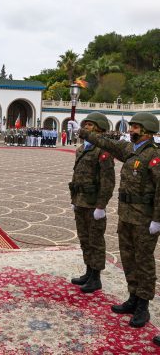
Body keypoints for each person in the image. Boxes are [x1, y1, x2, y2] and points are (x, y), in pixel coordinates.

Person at [79, 112, 160, 328]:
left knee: (144, 262)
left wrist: (157, 219)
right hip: (126, 216)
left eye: (135, 127)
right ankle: (133, 297)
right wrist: (85, 133)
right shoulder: (129, 151)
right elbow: (106, 142)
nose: (130, 130)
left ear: (146, 131)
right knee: (128, 259)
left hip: (144, 220)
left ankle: (143, 305)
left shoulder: (153, 155)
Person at [69, 112, 115, 293]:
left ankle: (96, 278)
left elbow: (108, 181)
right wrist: (74, 199)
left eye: (90, 125)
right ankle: (88, 272)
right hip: (80, 200)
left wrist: (101, 206)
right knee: (84, 239)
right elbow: (76, 175)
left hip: (94, 203)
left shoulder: (103, 151)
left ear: (99, 129)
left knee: (96, 241)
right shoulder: (82, 149)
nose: (85, 127)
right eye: (85, 124)